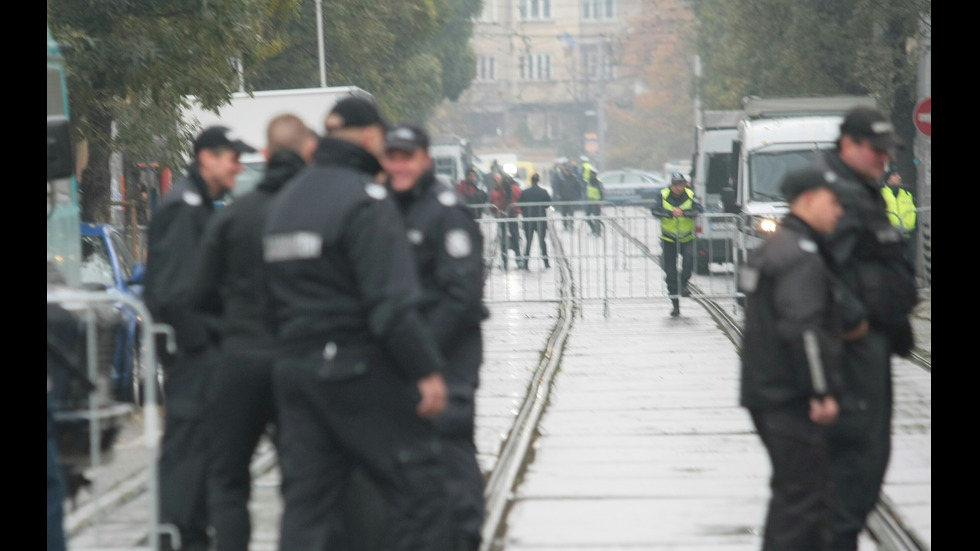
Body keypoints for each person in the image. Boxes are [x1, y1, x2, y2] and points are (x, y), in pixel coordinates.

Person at [259, 96, 452, 551]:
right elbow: (390, 304)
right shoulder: (366, 200)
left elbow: (265, 300)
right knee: (420, 489)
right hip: (354, 370)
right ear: (371, 138)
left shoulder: (284, 202)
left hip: (294, 371)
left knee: (307, 506)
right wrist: (425, 371)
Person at [189, 114, 318, 551]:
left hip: (239, 360)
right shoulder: (318, 211)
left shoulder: (234, 216)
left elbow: (197, 292)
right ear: (308, 152)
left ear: (264, 155)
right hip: (299, 363)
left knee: (228, 481)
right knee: (305, 484)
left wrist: (224, 335)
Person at [143, 125, 256, 551]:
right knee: (186, 457)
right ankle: (176, 538)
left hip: (200, 354)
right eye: (232, 156)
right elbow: (175, 294)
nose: (238, 166)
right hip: (192, 358)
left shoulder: (201, 206)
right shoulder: (184, 208)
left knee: (203, 457)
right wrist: (203, 350)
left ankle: (191, 536)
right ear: (206, 157)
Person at [811, 106, 918, 551]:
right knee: (854, 469)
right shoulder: (832, 192)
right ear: (848, 145)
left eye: (885, 151)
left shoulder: (861, 188)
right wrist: (854, 323)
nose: (882, 159)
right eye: (875, 150)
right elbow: (814, 269)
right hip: (851, 349)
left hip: (872, 344)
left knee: (868, 466)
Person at [382, 122, 490, 551]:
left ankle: (464, 538)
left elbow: (461, 295)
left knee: (448, 446)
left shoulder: (446, 210)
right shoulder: (383, 205)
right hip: (404, 354)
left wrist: (421, 356)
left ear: (425, 159)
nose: (398, 165)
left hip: (447, 355)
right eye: (392, 156)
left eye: (407, 157)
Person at [740, 166, 857, 551]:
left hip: (767, 389)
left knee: (795, 494)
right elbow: (803, 328)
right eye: (833, 202)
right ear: (808, 200)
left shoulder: (774, 248)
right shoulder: (799, 254)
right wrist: (821, 391)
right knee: (803, 499)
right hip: (791, 395)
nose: (839, 211)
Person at [650, 171, 703, 317]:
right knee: (670, 274)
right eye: (675, 185)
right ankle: (675, 305)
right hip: (669, 240)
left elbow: (699, 210)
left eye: (681, 185)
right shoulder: (663, 195)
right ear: (671, 185)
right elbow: (654, 210)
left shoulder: (691, 195)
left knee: (689, 263)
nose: (678, 188)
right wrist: (669, 213)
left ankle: (683, 284)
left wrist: (684, 213)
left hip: (687, 238)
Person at [489, 171, 526, 270]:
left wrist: (496, 211)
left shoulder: (500, 191)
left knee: (503, 240)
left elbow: (496, 203)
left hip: (503, 217)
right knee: (515, 238)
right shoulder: (516, 189)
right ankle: (518, 260)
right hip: (513, 217)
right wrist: (518, 210)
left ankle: (504, 261)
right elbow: (521, 200)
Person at [880, 168, 917, 264]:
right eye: (895, 175)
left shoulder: (907, 194)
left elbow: (914, 210)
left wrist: (916, 227)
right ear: (889, 179)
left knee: (909, 262)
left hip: (908, 235)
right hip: (890, 236)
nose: (899, 177)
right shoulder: (882, 194)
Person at [517, 173, 552, 269]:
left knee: (528, 242)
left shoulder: (525, 192)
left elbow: (520, 205)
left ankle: (526, 262)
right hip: (540, 219)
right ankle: (546, 263)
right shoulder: (544, 191)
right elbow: (548, 205)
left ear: (531, 180)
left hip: (528, 219)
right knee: (542, 242)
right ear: (538, 180)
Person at [553, 162, 581, 230]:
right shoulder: (561, 178)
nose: (567, 172)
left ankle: (571, 225)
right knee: (564, 213)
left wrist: (577, 196)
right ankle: (565, 225)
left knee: (571, 213)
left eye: (568, 171)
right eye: (566, 170)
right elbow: (557, 187)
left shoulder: (574, 178)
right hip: (563, 198)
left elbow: (578, 188)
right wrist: (557, 194)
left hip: (572, 198)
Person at [584, 171, 606, 236]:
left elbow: (602, 192)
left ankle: (597, 232)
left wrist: (602, 201)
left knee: (596, 217)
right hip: (589, 202)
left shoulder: (598, 182)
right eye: (590, 174)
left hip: (596, 202)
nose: (591, 175)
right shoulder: (588, 181)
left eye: (592, 174)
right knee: (587, 217)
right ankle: (593, 229)